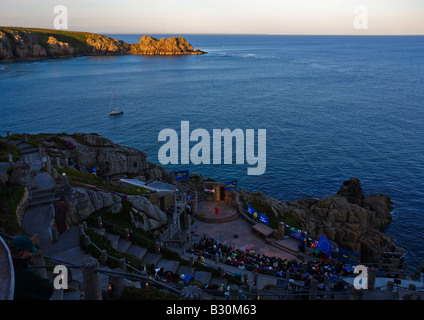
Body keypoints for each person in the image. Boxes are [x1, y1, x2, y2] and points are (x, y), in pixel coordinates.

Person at [10, 235, 54, 300]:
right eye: (30, 251)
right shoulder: (25, 273)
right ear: (24, 253)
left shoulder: (7, 266)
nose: (30, 254)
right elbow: (47, 288)